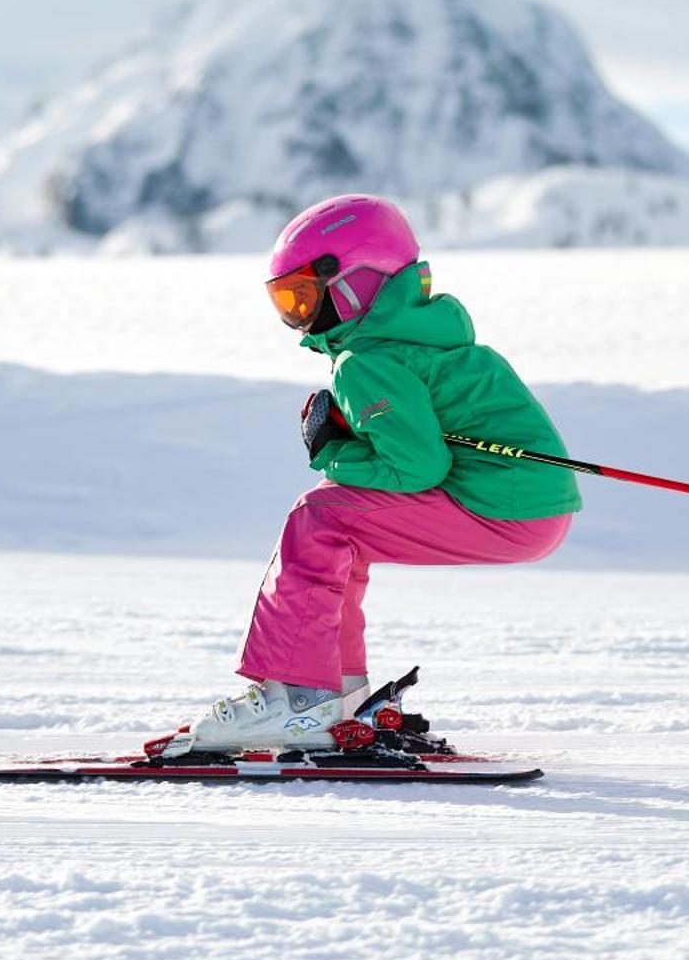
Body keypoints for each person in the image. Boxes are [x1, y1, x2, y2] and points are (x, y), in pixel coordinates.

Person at [146, 194, 581, 759]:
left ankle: (299, 698)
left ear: (356, 283)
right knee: (339, 526)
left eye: (302, 295)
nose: (296, 318)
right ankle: (335, 698)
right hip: (530, 508)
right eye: (284, 300)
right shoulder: (424, 339)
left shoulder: (367, 360)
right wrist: (351, 445)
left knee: (320, 520)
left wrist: (331, 451)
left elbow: (416, 467)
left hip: (500, 508)